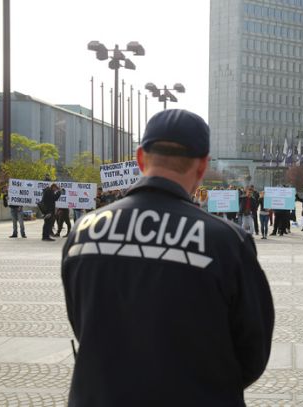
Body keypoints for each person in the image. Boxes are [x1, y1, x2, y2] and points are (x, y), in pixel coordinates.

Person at [61, 109, 274, 406]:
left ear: (140, 158)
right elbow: (253, 350)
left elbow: (82, 322)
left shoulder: (84, 232)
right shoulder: (225, 241)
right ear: (202, 167)